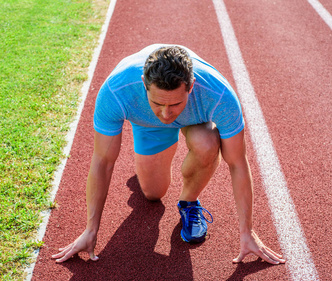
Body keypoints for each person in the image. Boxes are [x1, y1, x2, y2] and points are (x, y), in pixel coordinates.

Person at [52, 44, 285, 264]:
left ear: (191, 86)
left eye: (174, 103)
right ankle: (152, 156)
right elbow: (102, 162)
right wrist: (90, 230)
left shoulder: (218, 94)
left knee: (207, 142)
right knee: (153, 194)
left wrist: (248, 232)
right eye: (158, 102)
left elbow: (237, 163)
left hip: (196, 120)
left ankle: (189, 202)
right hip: (147, 124)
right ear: (144, 84)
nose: (165, 113)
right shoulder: (116, 91)